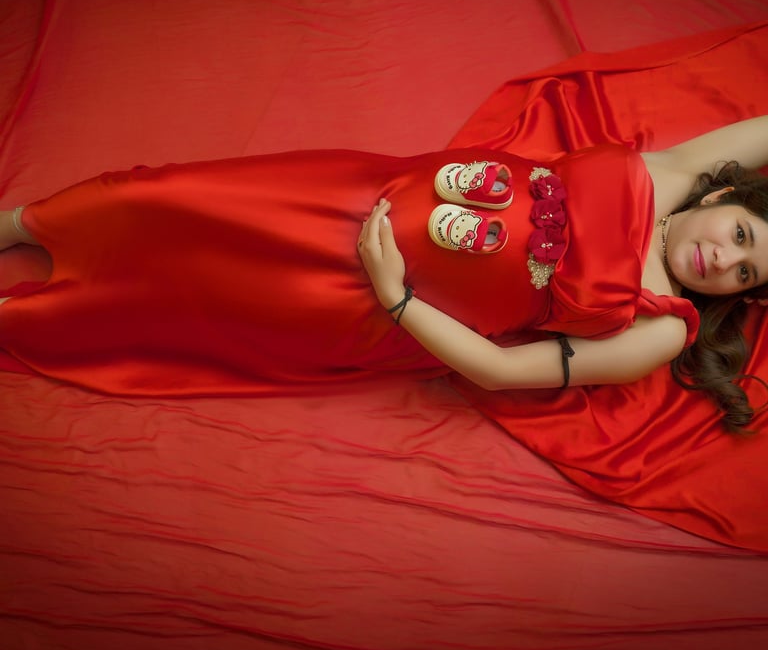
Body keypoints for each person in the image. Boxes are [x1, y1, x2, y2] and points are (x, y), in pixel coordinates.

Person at [1, 116, 768, 431]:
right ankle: (23, 223)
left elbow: (501, 373)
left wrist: (396, 295)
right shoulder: (673, 171)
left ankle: (26, 314)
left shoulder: (660, 328)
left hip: (367, 301)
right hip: (357, 192)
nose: (725, 260)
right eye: (741, 236)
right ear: (724, 196)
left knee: (185, 301)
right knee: (161, 196)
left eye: (745, 274)